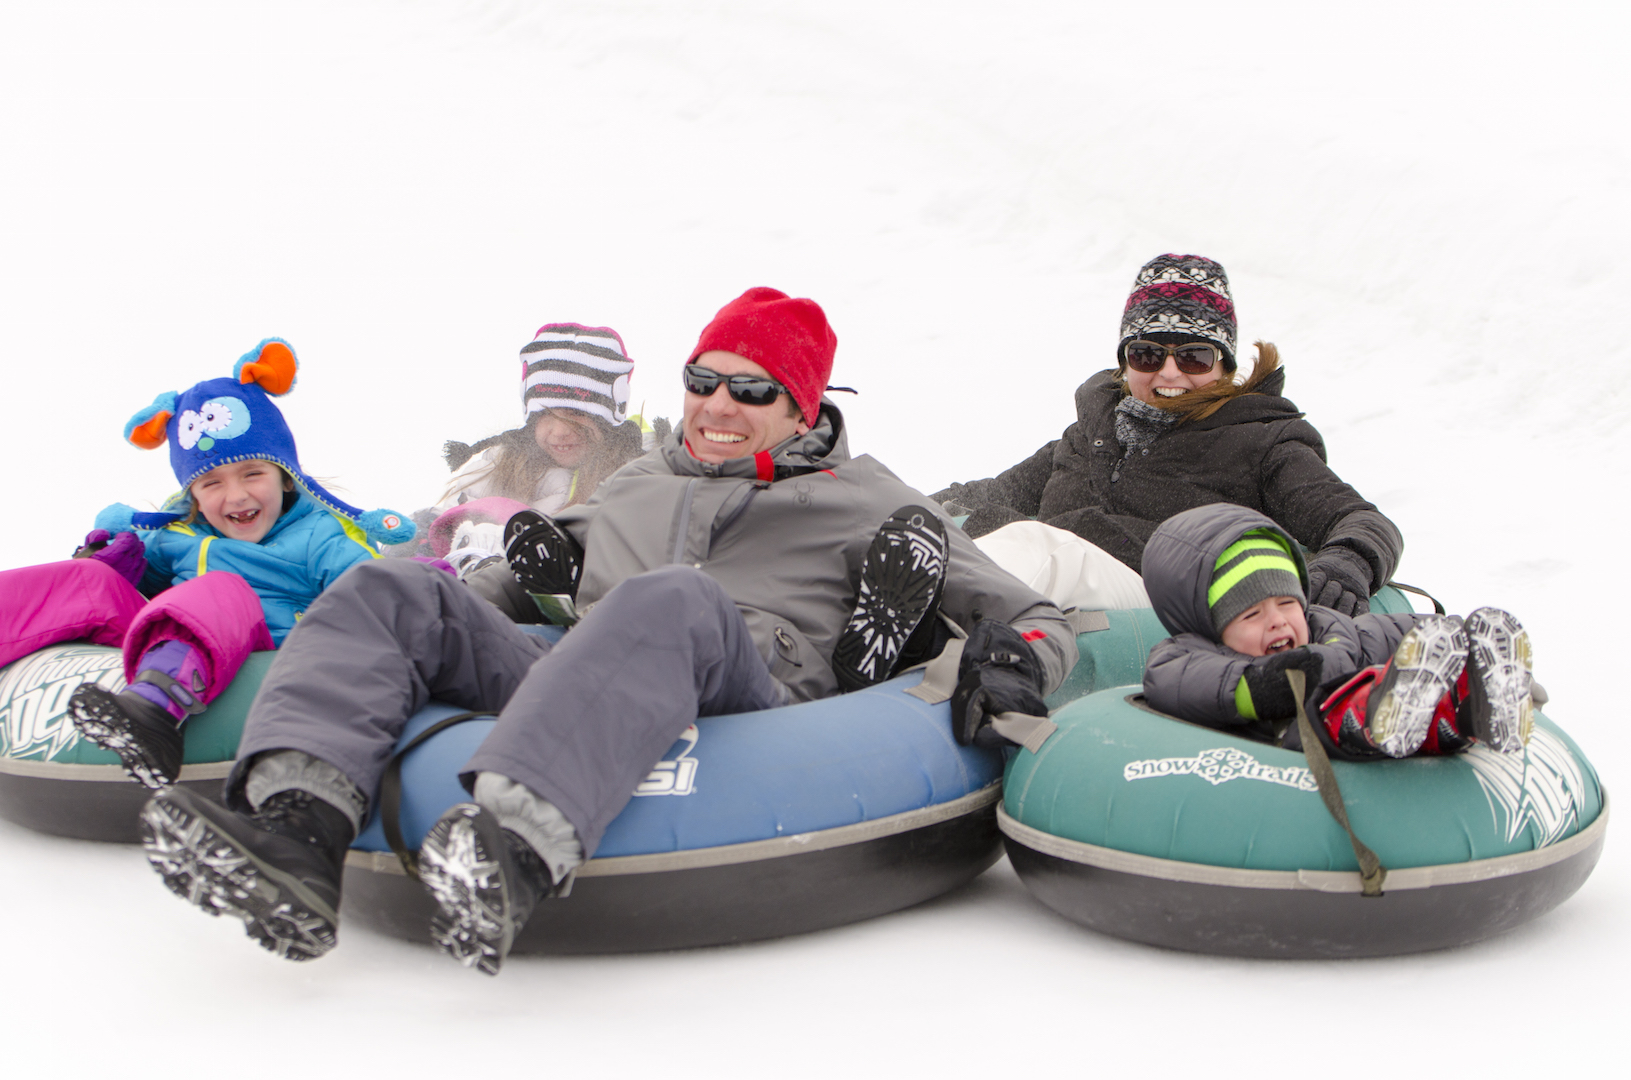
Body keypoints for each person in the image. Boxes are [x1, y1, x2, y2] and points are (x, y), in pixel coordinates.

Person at [138, 287, 1078, 974]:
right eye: (702, 380)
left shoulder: (868, 495)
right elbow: (519, 575)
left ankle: (512, 854)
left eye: (749, 391)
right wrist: (461, 595)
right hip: (580, 670)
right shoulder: (638, 480)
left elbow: (1031, 616)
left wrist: (1014, 664)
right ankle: (296, 836)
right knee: (393, 591)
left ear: (801, 405)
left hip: (752, 682)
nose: (715, 406)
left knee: (668, 596)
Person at [0, 339, 412, 789]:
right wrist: (117, 559)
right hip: (170, 637)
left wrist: (420, 591)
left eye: (253, 473)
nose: (235, 496)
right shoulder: (178, 537)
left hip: (266, 652)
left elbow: (370, 586)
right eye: (211, 482)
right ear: (192, 495)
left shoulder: (317, 535)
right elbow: (124, 590)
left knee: (221, 588)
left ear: (285, 476)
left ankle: (153, 711)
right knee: (88, 579)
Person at [934, 254, 1402, 616]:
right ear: (1125, 361)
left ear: (1225, 366)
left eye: (1194, 357)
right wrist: (915, 507)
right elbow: (995, 493)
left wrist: (1348, 563)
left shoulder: (1260, 440)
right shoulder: (1092, 433)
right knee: (962, 528)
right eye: (1147, 355)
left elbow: (1362, 520)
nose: (1169, 373)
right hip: (1056, 610)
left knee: (1042, 548)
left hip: (1166, 611)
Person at [1140, 503, 1534, 761]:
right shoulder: (1187, 654)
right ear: (1209, 626)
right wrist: (1259, 686)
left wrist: (1466, 647)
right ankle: (1382, 710)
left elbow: (1402, 633)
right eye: (1252, 614)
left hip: (1393, 727)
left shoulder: (1331, 630)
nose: (1277, 621)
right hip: (1299, 738)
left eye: (1286, 603)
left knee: (1417, 667)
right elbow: (1175, 682)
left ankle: (1474, 703)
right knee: (1329, 707)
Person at [413, 323, 664, 575]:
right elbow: (449, 516)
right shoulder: (503, 462)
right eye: (544, 414)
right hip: (492, 596)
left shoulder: (636, 471)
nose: (558, 431)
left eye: (575, 414)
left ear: (606, 419)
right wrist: (420, 536)